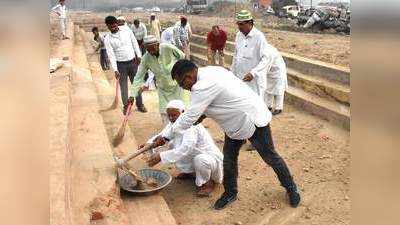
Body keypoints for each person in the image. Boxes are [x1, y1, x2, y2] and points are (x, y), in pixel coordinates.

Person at [161, 60, 301, 210]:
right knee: (229, 160)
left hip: (253, 119)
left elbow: (189, 116)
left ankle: (291, 188)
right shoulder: (210, 70)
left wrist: (165, 137)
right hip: (234, 123)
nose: (184, 88)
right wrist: (201, 116)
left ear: (189, 76)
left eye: (182, 84)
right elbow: (214, 101)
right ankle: (230, 193)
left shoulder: (201, 87)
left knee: (270, 157)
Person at [143, 100, 223, 197]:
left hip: (208, 158)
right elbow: (162, 136)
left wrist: (161, 156)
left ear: (183, 112)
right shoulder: (174, 123)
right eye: (169, 115)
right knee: (173, 145)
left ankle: (208, 183)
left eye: (174, 115)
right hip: (193, 154)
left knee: (200, 160)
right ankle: (190, 172)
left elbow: (186, 149)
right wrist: (149, 144)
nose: (171, 118)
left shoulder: (192, 126)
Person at [129, 35, 186, 125]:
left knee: (181, 111)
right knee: (165, 113)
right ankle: (168, 135)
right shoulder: (146, 59)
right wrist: (132, 94)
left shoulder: (167, 47)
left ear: (158, 44)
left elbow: (182, 56)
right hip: (163, 89)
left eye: (153, 48)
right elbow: (138, 77)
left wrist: (180, 72)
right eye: (148, 49)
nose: (151, 51)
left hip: (178, 86)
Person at [103, 16, 147, 114]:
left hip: (133, 62)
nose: (113, 28)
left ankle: (140, 105)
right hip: (120, 65)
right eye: (111, 27)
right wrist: (115, 70)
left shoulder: (127, 31)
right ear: (108, 27)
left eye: (114, 26)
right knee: (124, 87)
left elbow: (135, 43)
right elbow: (111, 55)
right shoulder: (108, 39)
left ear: (117, 24)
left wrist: (139, 55)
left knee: (136, 84)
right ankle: (126, 107)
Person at [230, 10, 268, 99]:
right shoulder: (239, 36)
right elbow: (236, 56)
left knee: (255, 106)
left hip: (254, 81)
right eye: (238, 24)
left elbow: (266, 58)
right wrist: (232, 73)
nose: (239, 27)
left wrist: (253, 73)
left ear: (250, 23)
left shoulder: (259, 37)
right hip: (240, 79)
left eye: (241, 24)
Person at [264, 44, 288, 115]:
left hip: (277, 72)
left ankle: (279, 108)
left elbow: (266, 64)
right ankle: (268, 106)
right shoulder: (262, 49)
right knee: (268, 90)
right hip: (270, 72)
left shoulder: (269, 51)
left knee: (279, 91)